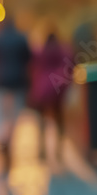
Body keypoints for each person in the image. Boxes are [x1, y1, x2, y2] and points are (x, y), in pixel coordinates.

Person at [0, 20, 32, 158]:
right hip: (18, 80)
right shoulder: (21, 38)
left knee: (1, 112)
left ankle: (2, 136)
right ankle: (10, 136)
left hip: (1, 81)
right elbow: (29, 58)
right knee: (15, 112)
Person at [29, 33, 73, 162]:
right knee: (59, 120)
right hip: (57, 90)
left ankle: (42, 149)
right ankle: (58, 150)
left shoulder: (41, 51)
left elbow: (32, 64)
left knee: (41, 121)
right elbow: (71, 63)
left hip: (42, 90)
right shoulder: (63, 50)